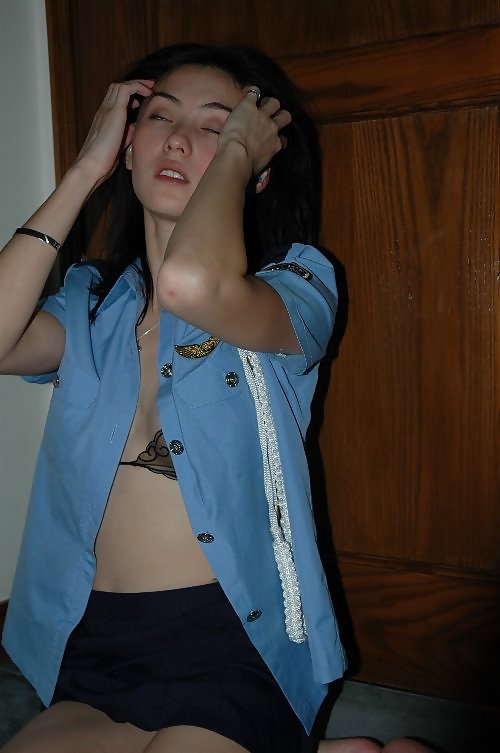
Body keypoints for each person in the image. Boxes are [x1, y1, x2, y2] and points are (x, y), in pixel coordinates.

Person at [0, 43, 435, 753]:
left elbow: (191, 285)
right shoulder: (91, 302)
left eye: (215, 126)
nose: (178, 139)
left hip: (230, 641)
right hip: (92, 644)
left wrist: (239, 155)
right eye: (159, 117)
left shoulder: (294, 288)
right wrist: (83, 172)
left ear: (253, 166)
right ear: (128, 144)